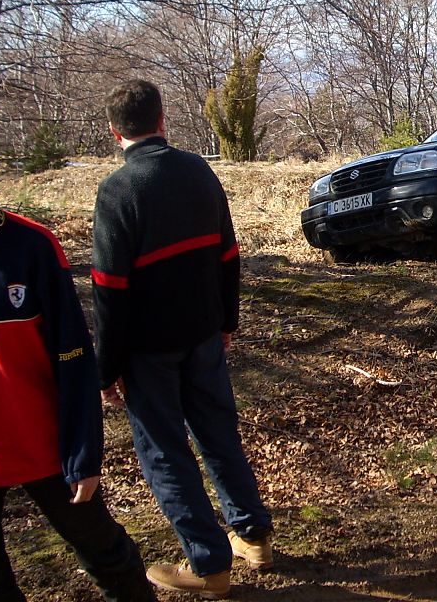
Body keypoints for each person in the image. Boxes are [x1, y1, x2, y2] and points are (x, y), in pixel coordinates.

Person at [0, 124, 157, 602]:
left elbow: (73, 357)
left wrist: (83, 452)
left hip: (43, 443)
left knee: (105, 554)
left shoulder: (31, 246)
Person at [92, 80, 273, 599]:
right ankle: (253, 537)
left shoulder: (118, 190)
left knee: (165, 452)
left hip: (149, 349)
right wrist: (226, 322)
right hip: (204, 333)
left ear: (115, 132)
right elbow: (228, 256)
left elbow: (109, 291)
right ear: (162, 119)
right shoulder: (198, 170)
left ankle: (210, 566)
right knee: (218, 435)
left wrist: (106, 369)